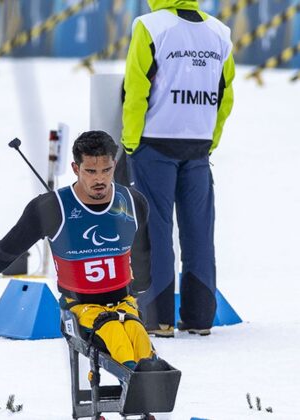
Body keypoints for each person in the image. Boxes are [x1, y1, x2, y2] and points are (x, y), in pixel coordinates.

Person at [0, 131, 157, 369]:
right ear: (75, 168)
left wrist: (140, 287)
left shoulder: (133, 203)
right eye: (91, 171)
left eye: (106, 170)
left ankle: (150, 381)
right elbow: (6, 251)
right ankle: (138, 381)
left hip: (123, 303)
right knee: (117, 339)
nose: (100, 179)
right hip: (81, 308)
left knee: (141, 343)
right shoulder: (52, 208)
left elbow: (143, 255)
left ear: (115, 165)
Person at [121, 0, 235, 337]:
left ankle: (159, 319)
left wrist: (130, 141)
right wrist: (210, 140)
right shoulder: (219, 32)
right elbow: (225, 95)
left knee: (154, 231)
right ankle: (200, 318)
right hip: (198, 145)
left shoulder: (149, 25)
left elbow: (136, 89)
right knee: (199, 233)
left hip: (154, 143)